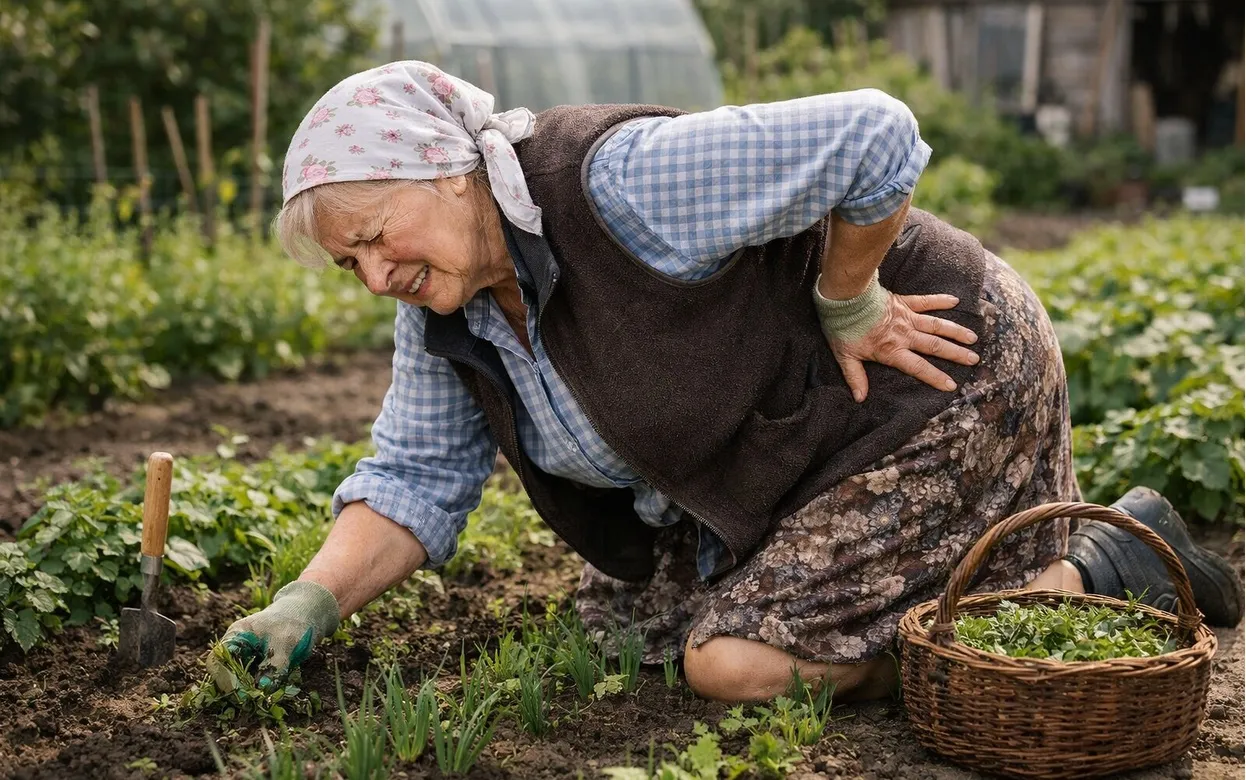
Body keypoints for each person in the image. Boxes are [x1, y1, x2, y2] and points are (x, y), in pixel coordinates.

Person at [213, 62, 1242, 702]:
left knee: (734, 665)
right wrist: (308, 602)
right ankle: (995, 593)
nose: (377, 275)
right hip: (795, 435)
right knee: (626, 635)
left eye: (373, 238)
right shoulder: (446, 316)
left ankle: (1089, 574)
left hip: (933, 370)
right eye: (351, 265)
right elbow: (412, 481)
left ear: (446, 168)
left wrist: (849, 298)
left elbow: (872, 133)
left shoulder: (613, 183)